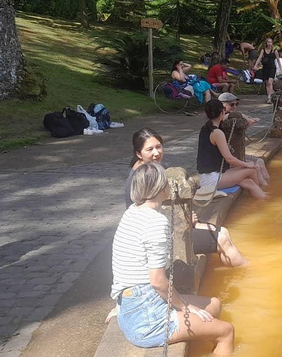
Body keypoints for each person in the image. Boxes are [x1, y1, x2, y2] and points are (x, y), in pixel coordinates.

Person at [112, 163, 234, 354]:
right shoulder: (155, 221)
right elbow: (158, 281)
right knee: (227, 331)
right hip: (147, 317)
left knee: (215, 304)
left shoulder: (131, 212)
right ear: (162, 187)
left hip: (132, 305)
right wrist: (185, 307)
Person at [125, 128, 247, 267]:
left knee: (223, 231)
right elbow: (149, 217)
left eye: (158, 147)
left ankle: (237, 272)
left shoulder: (155, 168)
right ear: (138, 154)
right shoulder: (140, 179)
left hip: (173, 224)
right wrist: (187, 221)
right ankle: (246, 272)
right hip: (161, 235)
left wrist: (189, 218)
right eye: (150, 149)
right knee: (222, 239)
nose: (156, 153)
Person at [198, 99, 267, 199]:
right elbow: (229, 159)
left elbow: (230, 115)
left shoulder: (206, 127)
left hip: (210, 176)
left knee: (249, 182)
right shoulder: (217, 133)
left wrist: (246, 118)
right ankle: (262, 197)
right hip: (212, 180)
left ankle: (262, 199)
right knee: (252, 170)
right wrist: (247, 164)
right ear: (222, 111)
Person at [216, 93, 270, 186]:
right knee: (255, 166)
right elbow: (222, 120)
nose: (234, 107)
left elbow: (242, 126)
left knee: (260, 161)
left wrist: (248, 120)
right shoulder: (219, 117)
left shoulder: (232, 116)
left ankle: (268, 185)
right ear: (222, 105)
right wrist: (243, 116)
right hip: (226, 156)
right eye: (231, 104)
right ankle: (263, 187)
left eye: (236, 104)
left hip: (237, 152)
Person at [253, 38, 282, 104]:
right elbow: (259, 58)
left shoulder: (274, 51)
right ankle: (269, 95)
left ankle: (270, 97)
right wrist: (256, 65)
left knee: (270, 82)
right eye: (268, 42)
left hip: (272, 68)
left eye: (271, 42)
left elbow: (278, 60)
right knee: (267, 83)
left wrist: (280, 68)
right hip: (265, 68)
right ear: (266, 43)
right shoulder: (263, 50)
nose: (269, 44)